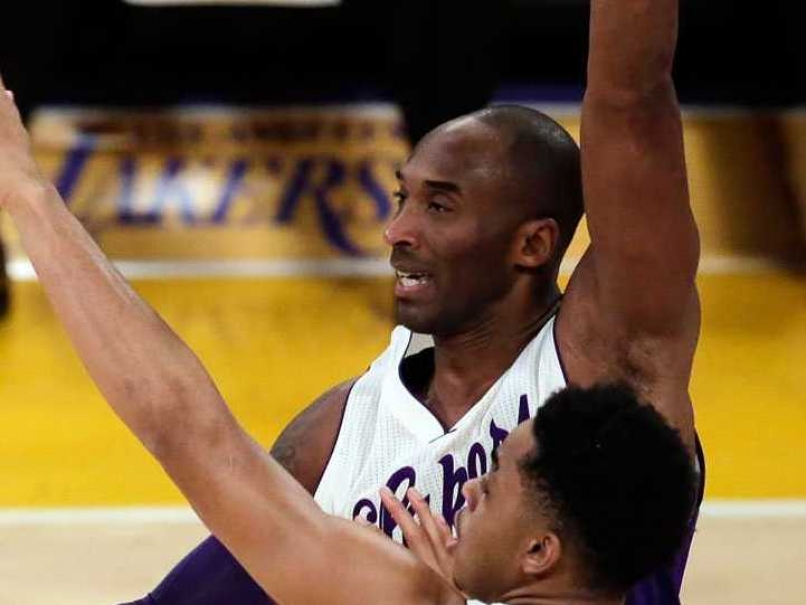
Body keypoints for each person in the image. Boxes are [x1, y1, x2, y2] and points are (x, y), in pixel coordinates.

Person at [3, 0, 703, 601]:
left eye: (439, 206)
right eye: (402, 198)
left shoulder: (608, 373)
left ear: (532, 244)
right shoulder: (332, 444)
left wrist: (26, 192)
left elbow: (630, 96)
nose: (397, 232)